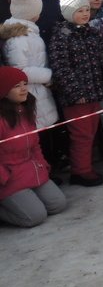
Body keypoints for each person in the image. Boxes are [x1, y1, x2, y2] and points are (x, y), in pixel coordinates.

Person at [47, 0, 103, 186]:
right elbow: (61, 67)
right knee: (81, 134)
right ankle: (80, 171)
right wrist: (75, 92)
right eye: (80, 11)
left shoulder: (92, 33)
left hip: (95, 91)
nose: (85, 13)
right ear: (68, 13)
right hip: (77, 97)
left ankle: (86, 166)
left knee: (91, 131)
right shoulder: (62, 36)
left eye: (87, 9)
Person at [0, 66, 68, 227]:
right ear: (3, 92)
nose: (24, 89)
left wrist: (42, 165)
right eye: (17, 86)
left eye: (25, 84)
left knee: (58, 204)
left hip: (31, 170)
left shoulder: (26, 110)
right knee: (35, 216)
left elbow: (35, 144)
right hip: (8, 178)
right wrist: (3, 177)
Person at [1, 0, 59, 133]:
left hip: (38, 92)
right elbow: (20, 70)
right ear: (33, 14)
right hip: (31, 93)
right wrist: (49, 75)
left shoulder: (29, 32)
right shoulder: (19, 38)